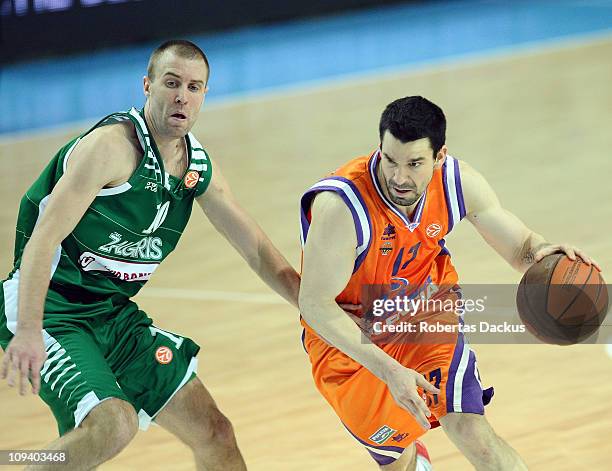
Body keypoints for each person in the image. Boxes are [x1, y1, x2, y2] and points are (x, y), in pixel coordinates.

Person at [0, 40, 301, 470]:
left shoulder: (195, 166)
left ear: (204, 95)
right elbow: (41, 241)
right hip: (51, 309)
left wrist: (310, 304)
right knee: (113, 424)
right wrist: (28, 328)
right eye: (172, 83)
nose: (182, 96)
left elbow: (255, 249)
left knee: (215, 433)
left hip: (111, 314)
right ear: (147, 85)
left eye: (194, 87)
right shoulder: (111, 148)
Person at [297, 96, 599, 470]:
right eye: (390, 160)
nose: (399, 177)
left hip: (425, 311)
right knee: (397, 460)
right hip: (348, 336)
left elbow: (520, 245)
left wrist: (542, 251)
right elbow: (314, 305)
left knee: (470, 428)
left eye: (414, 163)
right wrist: (390, 370)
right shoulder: (343, 207)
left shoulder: (458, 182)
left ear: (440, 156)